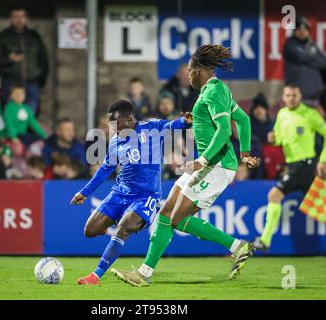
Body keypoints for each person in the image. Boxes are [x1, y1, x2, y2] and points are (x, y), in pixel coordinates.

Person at [111, 45, 261, 287]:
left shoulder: (213, 92)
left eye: (190, 70)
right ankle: (237, 246)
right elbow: (242, 119)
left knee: (175, 218)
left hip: (216, 165)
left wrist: (202, 160)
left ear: (200, 69)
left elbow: (224, 130)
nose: (188, 75)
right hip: (211, 164)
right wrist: (244, 152)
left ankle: (144, 273)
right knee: (166, 213)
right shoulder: (214, 91)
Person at [69, 99, 192, 285]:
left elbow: (172, 125)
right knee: (90, 231)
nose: (113, 127)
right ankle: (108, 222)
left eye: (116, 122)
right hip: (120, 193)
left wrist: (184, 122)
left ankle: (95, 276)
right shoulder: (115, 141)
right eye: (111, 123)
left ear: (129, 117)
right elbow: (105, 169)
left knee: (124, 228)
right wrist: (84, 193)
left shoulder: (152, 127)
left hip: (146, 196)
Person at [253, 84, 326, 251]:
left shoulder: (310, 114)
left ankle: (265, 240)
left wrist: (324, 160)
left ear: (300, 96)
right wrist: (273, 139)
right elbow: (279, 139)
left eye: (294, 95)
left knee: (274, 195)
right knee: (323, 203)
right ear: (283, 97)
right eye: (288, 95)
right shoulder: (282, 115)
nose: (291, 98)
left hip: (305, 165)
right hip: (293, 166)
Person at [0, 7, 49, 114]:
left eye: (21, 17)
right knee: (10, 114)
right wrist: (9, 59)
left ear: (26, 18)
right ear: (11, 19)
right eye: (16, 17)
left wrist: (40, 79)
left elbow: (43, 59)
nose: (19, 20)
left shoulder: (34, 36)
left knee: (30, 114)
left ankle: (26, 132)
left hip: (31, 82)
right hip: (10, 82)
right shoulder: (2, 37)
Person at [283, 16, 326, 100]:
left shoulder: (312, 45)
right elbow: (303, 57)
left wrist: (311, 59)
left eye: (305, 29)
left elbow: (324, 62)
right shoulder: (290, 45)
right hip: (298, 94)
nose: (302, 32)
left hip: (316, 93)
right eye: (299, 29)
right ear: (294, 31)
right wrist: (314, 58)